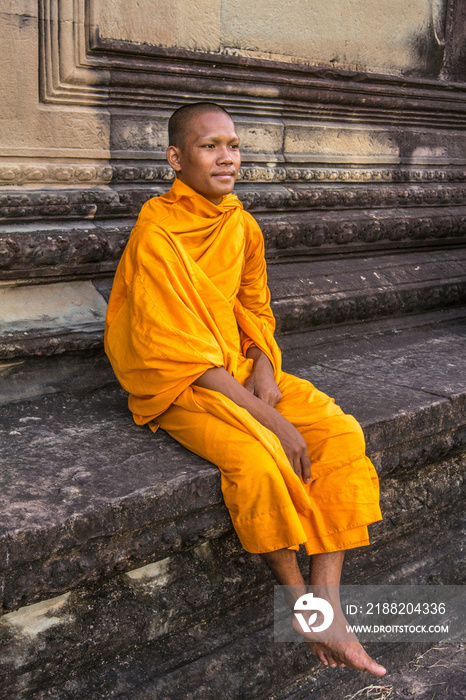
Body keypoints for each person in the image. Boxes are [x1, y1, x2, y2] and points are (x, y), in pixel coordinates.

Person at [104, 102, 386, 676]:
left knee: (338, 433)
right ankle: (299, 602)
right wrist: (271, 419)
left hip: (237, 367)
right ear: (176, 159)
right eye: (209, 146)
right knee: (260, 460)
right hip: (180, 381)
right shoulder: (157, 233)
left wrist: (262, 369)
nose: (227, 157)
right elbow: (173, 348)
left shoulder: (240, 223)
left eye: (233, 145)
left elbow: (254, 309)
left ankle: (326, 602)